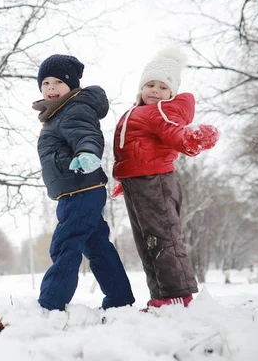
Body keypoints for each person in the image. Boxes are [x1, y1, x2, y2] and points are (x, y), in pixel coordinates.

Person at [111, 47, 219, 310]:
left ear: (171, 93)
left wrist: (191, 139)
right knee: (146, 241)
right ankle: (161, 295)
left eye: (163, 87)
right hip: (138, 182)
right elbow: (135, 148)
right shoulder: (137, 112)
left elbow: (173, 133)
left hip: (155, 181)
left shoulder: (160, 111)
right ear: (140, 88)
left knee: (162, 236)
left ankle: (177, 293)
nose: (155, 91)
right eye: (150, 85)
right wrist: (124, 177)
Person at [32, 54, 135, 311]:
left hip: (80, 188)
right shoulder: (56, 114)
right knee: (97, 245)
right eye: (45, 83)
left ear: (72, 85)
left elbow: (86, 133)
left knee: (66, 243)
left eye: (58, 82)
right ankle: (120, 299)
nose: (51, 88)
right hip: (76, 190)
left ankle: (51, 303)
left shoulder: (74, 108)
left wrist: (87, 152)